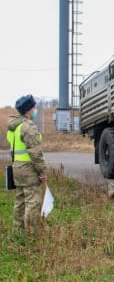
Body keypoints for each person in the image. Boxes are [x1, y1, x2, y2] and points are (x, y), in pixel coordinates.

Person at [6, 94, 47, 236]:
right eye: (34, 107)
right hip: (29, 169)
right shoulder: (28, 127)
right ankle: (31, 235)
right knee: (32, 202)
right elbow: (35, 153)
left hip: (17, 168)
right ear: (29, 110)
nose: (35, 109)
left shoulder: (14, 127)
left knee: (20, 201)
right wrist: (42, 172)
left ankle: (18, 232)